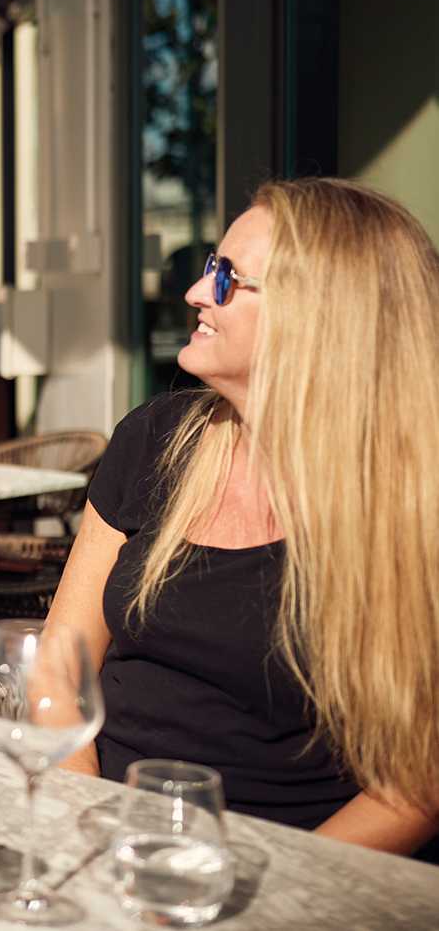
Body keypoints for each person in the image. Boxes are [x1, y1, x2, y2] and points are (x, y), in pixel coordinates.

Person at [47, 178, 439, 857]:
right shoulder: (152, 439)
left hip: (296, 871)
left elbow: (417, 782)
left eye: (227, 278)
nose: (197, 293)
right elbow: (57, 664)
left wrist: (273, 889)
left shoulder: (407, 497)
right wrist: (94, 822)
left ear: (318, 315)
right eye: (207, 268)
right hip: (100, 831)